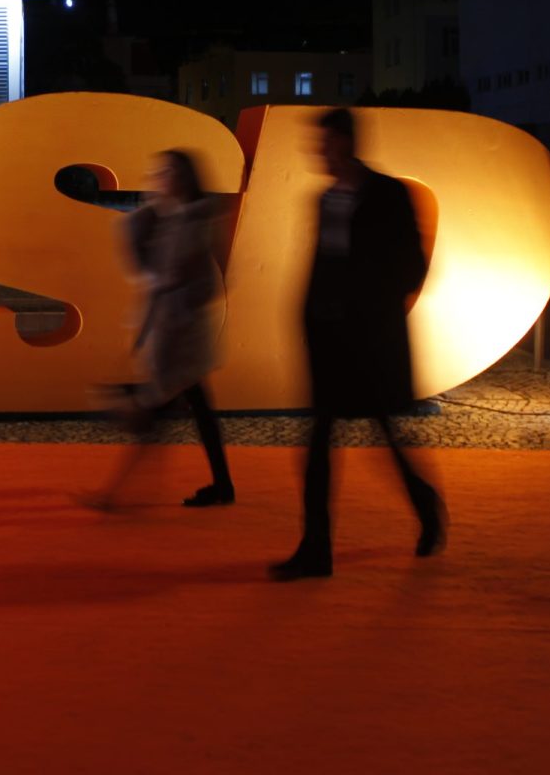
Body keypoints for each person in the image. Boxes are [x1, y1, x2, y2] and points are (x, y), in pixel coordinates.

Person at [272, 108, 443, 581]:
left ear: (346, 142)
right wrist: (307, 319)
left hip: (370, 339)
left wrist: (371, 306)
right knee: (320, 444)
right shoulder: (324, 200)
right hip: (329, 341)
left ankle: (425, 506)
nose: (318, 152)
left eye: (325, 143)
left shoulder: (390, 194)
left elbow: (412, 264)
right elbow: (320, 265)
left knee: (386, 436)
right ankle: (315, 549)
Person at [80, 149, 235, 511]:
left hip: (182, 335)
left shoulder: (194, 220)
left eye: (166, 173)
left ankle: (114, 495)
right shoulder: (168, 217)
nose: (159, 178)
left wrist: (171, 301)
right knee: (195, 411)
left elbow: (202, 282)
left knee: (154, 413)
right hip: (174, 331)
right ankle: (221, 484)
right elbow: (150, 268)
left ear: (184, 177)